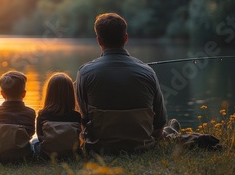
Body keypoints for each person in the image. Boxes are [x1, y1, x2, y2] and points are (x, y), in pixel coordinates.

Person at [75, 13, 172, 154]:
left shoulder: (85, 73)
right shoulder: (148, 72)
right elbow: (159, 124)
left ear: (99, 41)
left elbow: (83, 119)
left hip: (100, 148)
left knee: (74, 86)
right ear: (126, 38)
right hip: (141, 147)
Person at [0, 71, 36, 162]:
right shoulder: (30, 112)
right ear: (24, 94)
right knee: (34, 142)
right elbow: (31, 133)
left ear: (2, 94)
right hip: (24, 155)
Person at [33, 72, 82, 159]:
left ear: (49, 93)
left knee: (34, 141)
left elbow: (41, 138)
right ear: (70, 93)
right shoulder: (76, 116)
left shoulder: (42, 115)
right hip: (71, 154)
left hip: (47, 155)